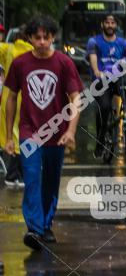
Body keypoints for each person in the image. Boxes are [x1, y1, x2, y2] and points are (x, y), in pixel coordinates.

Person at [3, 16, 84, 250]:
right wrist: (9, 136)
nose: (41, 42)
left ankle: (46, 224)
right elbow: (11, 98)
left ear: (53, 37)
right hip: (29, 132)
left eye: (46, 37)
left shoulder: (63, 63)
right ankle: (35, 229)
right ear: (29, 38)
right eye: (36, 37)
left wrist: (71, 130)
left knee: (50, 180)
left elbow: (76, 98)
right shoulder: (20, 63)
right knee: (31, 178)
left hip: (56, 133)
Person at [87, 13, 126, 159]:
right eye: (107, 22)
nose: (110, 25)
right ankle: (100, 142)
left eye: (113, 23)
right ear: (102, 24)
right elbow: (93, 59)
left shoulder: (123, 43)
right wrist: (97, 72)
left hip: (118, 79)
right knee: (105, 108)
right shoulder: (94, 42)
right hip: (101, 81)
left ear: (116, 26)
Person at [0, 28, 34, 187]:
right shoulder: (35, 51)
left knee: (13, 136)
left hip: (9, 98)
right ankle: (15, 175)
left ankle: (15, 174)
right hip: (28, 99)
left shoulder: (8, 49)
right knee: (24, 137)